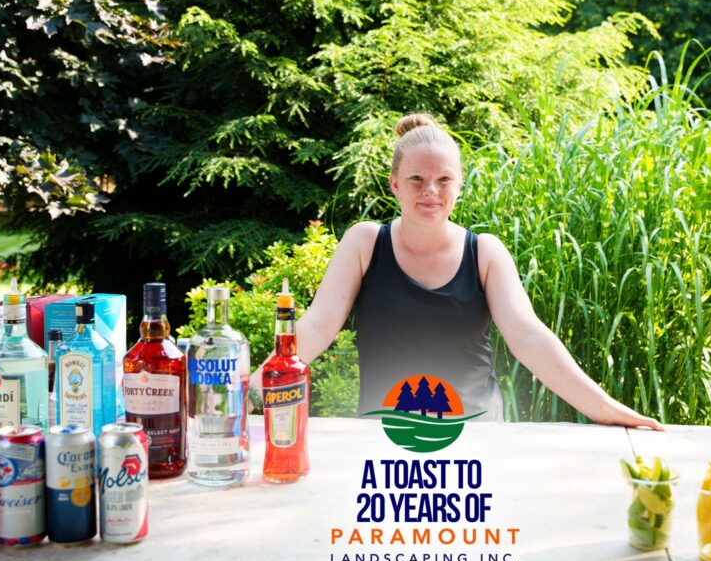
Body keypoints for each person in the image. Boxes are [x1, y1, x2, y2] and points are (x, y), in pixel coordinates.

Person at [256, 113, 663, 430]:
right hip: (388, 438)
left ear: (460, 184)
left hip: (477, 436)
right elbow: (317, 327)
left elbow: (528, 337)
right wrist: (252, 388)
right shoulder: (364, 243)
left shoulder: (485, 253)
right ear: (394, 184)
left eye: (444, 179)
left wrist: (604, 409)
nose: (430, 191)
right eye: (416, 179)